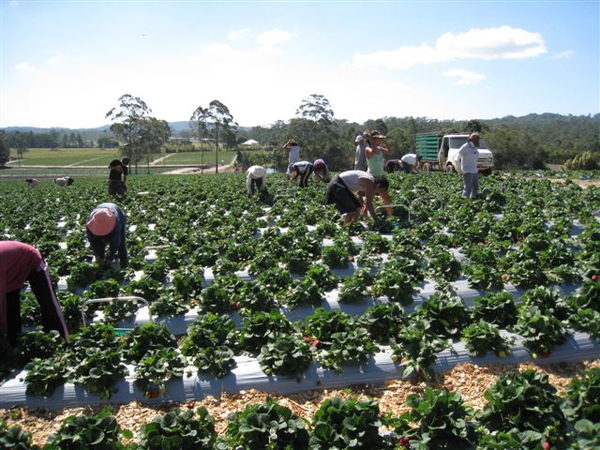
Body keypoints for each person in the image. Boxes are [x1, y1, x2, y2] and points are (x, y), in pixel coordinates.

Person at [0, 241, 70, 349]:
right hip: (10, 272)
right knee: (11, 312)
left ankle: (63, 342)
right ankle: (14, 346)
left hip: (32, 261)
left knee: (48, 304)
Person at [325, 170, 392, 226]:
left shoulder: (369, 181)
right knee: (351, 211)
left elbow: (359, 194)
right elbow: (369, 204)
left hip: (343, 185)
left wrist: (362, 203)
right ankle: (345, 230)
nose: (378, 193)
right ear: (378, 185)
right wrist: (376, 220)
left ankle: (354, 225)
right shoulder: (370, 183)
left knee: (357, 207)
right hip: (338, 184)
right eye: (380, 190)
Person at [85, 203, 128, 269]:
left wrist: (111, 258)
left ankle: (124, 265)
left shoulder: (116, 222)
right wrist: (98, 255)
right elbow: (93, 241)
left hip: (117, 211)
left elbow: (116, 243)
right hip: (101, 209)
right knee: (99, 243)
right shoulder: (90, 222)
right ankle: (101, 262)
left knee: (121, 245)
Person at [458, 133, 481, 198]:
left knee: (475, 186)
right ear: (472, 140)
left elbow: (474, 157)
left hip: (474, 170)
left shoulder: (474, 148)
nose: (478, 141)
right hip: (467, 170)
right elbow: (459, 156)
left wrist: (477, 165)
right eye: (477, 140)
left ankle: (473, 198)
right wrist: (460, 167)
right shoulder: (465, 147)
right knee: (468, 187)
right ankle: (465, 199)